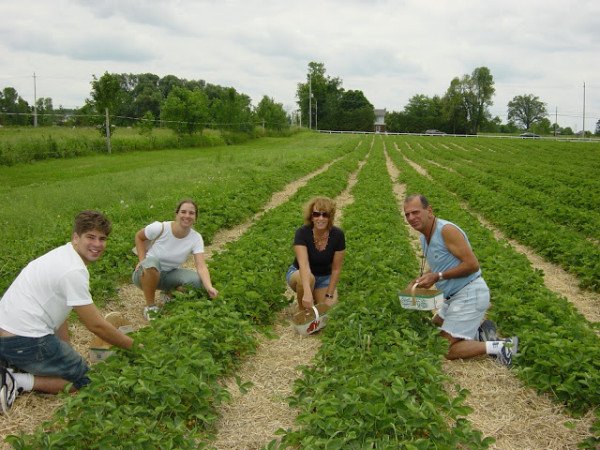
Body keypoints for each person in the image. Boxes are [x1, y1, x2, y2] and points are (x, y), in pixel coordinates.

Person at [0, 211, 134, 414]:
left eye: (102, 238)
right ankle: (17, 381)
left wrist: (65, 350)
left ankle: (11, 364)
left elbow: (61, 309)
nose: (97, 244)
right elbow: (96, 325)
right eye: (90, 237)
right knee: (85, 381)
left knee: (66, 361)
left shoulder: (62, 254)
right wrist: (135, 347)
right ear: (75, 237)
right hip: (24, 340)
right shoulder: (73, 271)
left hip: (9, 332)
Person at [402, 194, 518, 366]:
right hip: (453, 298)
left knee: (445, 349)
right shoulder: (423, 237)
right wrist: (421, 279)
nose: (411, 218)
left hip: (470, 294)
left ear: (429, 211)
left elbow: (472, 265)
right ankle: (477, 335)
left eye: (415, 212)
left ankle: (503, 345)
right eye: (407, 215)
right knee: (432, 330)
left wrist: (438, 276)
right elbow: (439, 264)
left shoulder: (446, 230)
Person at [133, 199, 218, 320]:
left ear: (196, 217)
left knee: (197, 282)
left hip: (168, 275)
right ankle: (150, 307)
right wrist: (142, 260)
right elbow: (139, 237)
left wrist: (209, 287)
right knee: (152, 263)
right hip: (145, 274)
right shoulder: (160, 228)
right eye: (183, 212)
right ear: (177, 214)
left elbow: (201, 266)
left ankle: (168, 293)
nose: (187, 216)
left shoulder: (196, 238)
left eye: (191, 213)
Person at [286, 197, 345, 313]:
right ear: (311, 217)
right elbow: (304, 265)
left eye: (325, 215)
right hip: (300, 273)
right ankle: (303, 312)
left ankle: (315, 297)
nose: (320, 218)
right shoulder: (302, 233)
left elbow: (336, 269)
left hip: (324, 278)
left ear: (330, 217)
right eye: (316, 214)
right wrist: (307, 293)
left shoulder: (338, 235)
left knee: (327, 310)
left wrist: (329, 296)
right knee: (308, 280)